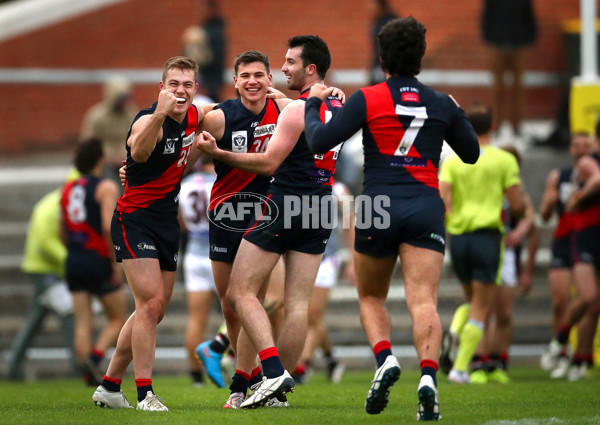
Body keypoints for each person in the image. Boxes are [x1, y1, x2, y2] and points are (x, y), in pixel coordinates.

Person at [304, 17, 479, 420]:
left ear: (381, 57)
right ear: (420, 56)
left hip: (377, 203)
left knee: (370, 296)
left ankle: (385, 359)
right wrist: (455, 110)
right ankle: (429, 378)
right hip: (424, 204)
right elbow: (470, 152)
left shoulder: (367, 98)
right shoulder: (440, 102)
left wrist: (314, 102)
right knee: (423, 299)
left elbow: (319, 141)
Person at [197, 35, 345, 409]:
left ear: (310, 69)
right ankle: (279, 393)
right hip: (322, 204)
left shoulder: (295, 109)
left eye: (290, 63)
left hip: (286, 203)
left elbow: (268, 163)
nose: (284, 69)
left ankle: (272, 371)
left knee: (239, 293)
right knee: (297, 307)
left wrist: (218, 153)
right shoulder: (339, 105)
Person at [91, 56, 204, 412]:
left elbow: (215, 123)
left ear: (195, 89)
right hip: (134, 218)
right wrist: (159, 114)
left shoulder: (197, 115)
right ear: (162, 87)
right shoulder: (146, 118)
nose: (180, 91)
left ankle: (110, 386)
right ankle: (144, 393)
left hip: (167, 221)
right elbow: (138, 153)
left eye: (187, 85)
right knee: (150, 304)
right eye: (174, 84)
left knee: (154, 310)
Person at [191, 50, 292, 408]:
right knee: (232, 306)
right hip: (223, 216)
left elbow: (322, 112)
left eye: (259, 75)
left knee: (254, 301)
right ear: (235, 81)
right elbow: (182, 159)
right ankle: (252, 381)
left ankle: (244, 384)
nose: (252, 81)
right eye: (245, 75)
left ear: (269, 79)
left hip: (265, 214)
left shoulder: (284, 111)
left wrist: (333, 93)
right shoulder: (218, 118)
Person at [438, 104, 525, 387]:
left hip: (459, 238)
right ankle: (461, 368)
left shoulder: (451, 161)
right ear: (494, 125)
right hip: (488, 236)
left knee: (472, 301)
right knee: (482, 307)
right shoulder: (503, 160)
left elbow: (442, 201)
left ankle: (454, 328)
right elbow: (518, 205)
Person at [467, 145, 538, 384]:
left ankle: (498, 361)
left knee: (504, 312)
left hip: (506, 252)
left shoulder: (517, 191)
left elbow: (529, 218)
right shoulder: (484, 182)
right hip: (486, 244)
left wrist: (519, 231)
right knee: (482, 308)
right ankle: (479, 362)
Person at [59, 138, 127, 387]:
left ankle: (85, 372)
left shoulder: (67, 188)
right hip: (97, 257)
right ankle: (96, 359)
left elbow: (61, 230)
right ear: (100, 159)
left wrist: (74, 250)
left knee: (82, 322)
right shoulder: (106, 187)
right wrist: (114, 262)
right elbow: (107, 227)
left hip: (74, 257)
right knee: (118, 318)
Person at [542, 127, 600, 380]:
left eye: (584, 144)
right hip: (577, 236)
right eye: (577, 145)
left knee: (594, 304)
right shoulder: (582, 166)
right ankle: (560, 343)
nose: (582, 150)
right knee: (576, 299)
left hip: (594, 234)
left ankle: (581, 359)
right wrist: (572, 198)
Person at [5, 188, 76, 381]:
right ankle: (81, 367)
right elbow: (45, 241)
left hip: (45, 269)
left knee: (33, 321)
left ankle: (13, 369)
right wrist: (72, 262)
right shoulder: (52, 208)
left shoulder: (54, 203)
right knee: (69, 312)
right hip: (45, 271)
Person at [292, 181, 355, 384]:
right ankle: (331, 358)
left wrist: (353, 260)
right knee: (308, 316)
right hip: (300, 257)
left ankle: (303, 365)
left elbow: (350, 222)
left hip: (326, 258)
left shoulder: (338, 190)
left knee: (312, 315)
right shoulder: (297, 183)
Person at [178, 155, 216, 387]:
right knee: (238, 313)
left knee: (195, 320)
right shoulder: (220, 181)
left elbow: (181, 222)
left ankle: (195, 377)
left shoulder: (185, 184)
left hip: (193, 252)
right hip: (219, 253)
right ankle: (243, 370)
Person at [481, 0, 537, 139]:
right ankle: (496, 126)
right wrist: (490, 38)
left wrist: (528, 38)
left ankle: (517, 126)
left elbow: (529, 18)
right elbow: (486, 17)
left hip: (519, 46)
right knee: (498, 89)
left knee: (518, 88)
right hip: (498, 45)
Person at [80, 77, 137, 182]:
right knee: (109, 178)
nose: (125, 101)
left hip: (126, 159)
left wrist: (127, 155)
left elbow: (138, 138)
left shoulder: (131, 115)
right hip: (104, 162)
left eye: (127, 97)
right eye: (121, 97)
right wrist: (107, 156)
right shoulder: (97, 116)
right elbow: (88, 143)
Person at [368, 0, 398, 85]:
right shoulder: (378, 21)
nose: (371, 9)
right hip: (378, 66)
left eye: (373, 5)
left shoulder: (390, 22)